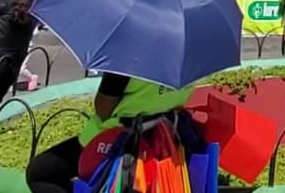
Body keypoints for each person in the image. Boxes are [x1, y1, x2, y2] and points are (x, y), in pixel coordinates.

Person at [25, 72, 194, 193]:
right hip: (163, 139)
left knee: (40, 173)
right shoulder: (192, 57)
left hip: (116, 141)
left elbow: (103, 108)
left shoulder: (129, 54)